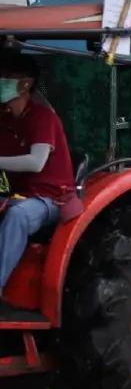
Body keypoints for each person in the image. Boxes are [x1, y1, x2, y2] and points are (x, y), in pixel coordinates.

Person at [0, 57, 81, 305]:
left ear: (25, 84)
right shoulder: (4, 120)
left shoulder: (43, 118)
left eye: (4, 78)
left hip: (51, 199)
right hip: (21, 194)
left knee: (18, 216)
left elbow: (36, 162)